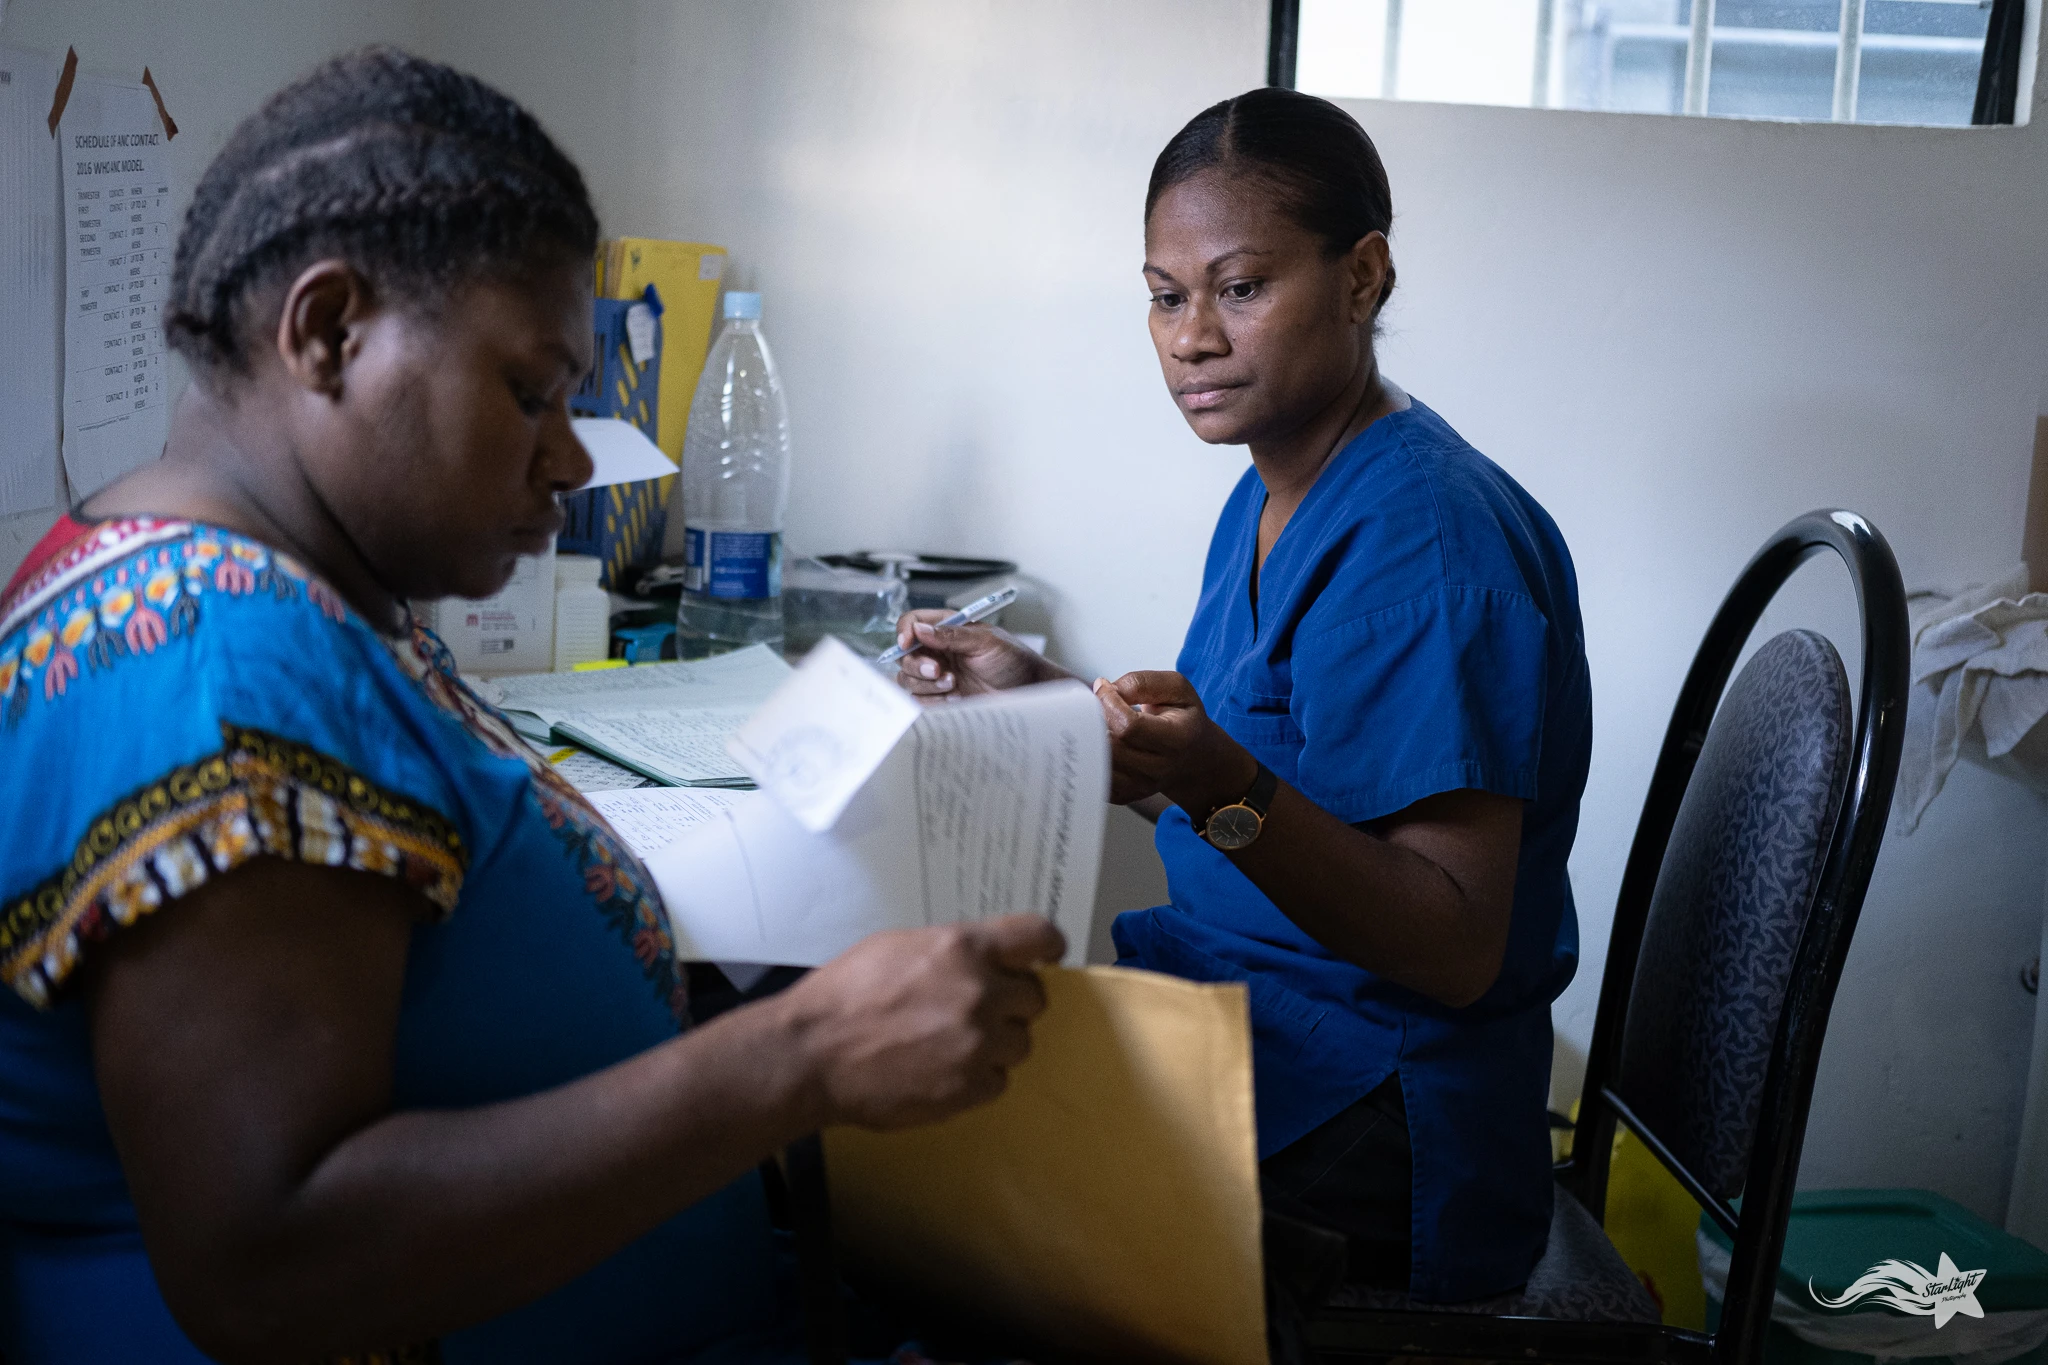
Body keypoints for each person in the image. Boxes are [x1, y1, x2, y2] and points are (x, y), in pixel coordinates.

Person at [0, 48, 1063, 1364]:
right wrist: (800, 1055)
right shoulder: (220, 668)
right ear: (329, 331)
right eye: (531, 391)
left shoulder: (293, 594)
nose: (569, 457)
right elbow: (272, 1265)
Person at [894, 87, 1591, 1306]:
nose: (1190, 337)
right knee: (887, 1097)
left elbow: (1450, 946)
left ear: (1362, 277)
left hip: (1377, 1117)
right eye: (1164, 296)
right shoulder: (1273, 490)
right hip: (1257, 1029)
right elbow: (1221, 776)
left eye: (1239, 287)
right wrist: (1039, 701)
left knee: (885, 1172)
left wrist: (1223, 785)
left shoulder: (1422, 543)